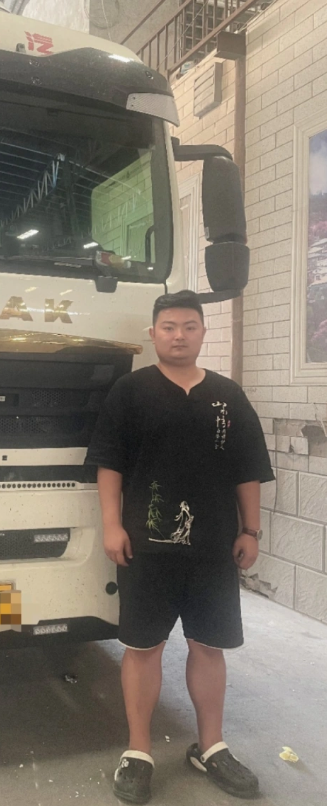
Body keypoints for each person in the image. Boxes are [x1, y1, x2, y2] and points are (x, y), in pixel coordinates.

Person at [85, 289, 274, 804]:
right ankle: (138, 752)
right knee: (143, 647)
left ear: (202, 333)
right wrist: (111, 525)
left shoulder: (228, 395)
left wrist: (251, 530)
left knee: (209, 645)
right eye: (169, 327)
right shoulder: (130, 391)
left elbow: (248, 468)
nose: (179, 336)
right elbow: (109, 464)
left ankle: (210, 746)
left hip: (214, 547)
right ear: (153, 334)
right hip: (145, 547)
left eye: (190, 327)